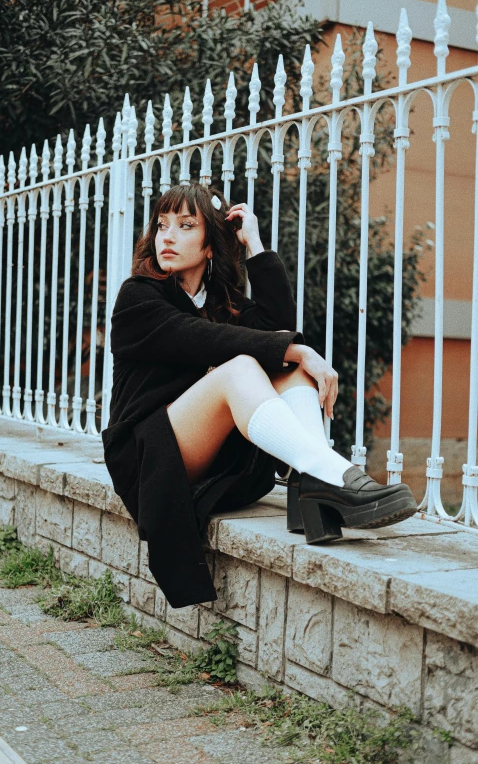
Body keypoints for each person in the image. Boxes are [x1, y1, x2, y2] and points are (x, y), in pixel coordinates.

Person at [101, 183, 417, 609]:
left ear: (211, 245)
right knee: (244, 366)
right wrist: (295, 346)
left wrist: (255, 244)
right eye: (162, 225)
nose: (168, 236)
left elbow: (275, 331)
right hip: (149, 456)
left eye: (185, 225)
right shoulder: (138, 296)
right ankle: (334, 475)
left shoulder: (220, 300)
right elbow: (202, 339)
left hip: (211, 457)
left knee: (283, 362)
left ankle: (313, 485)